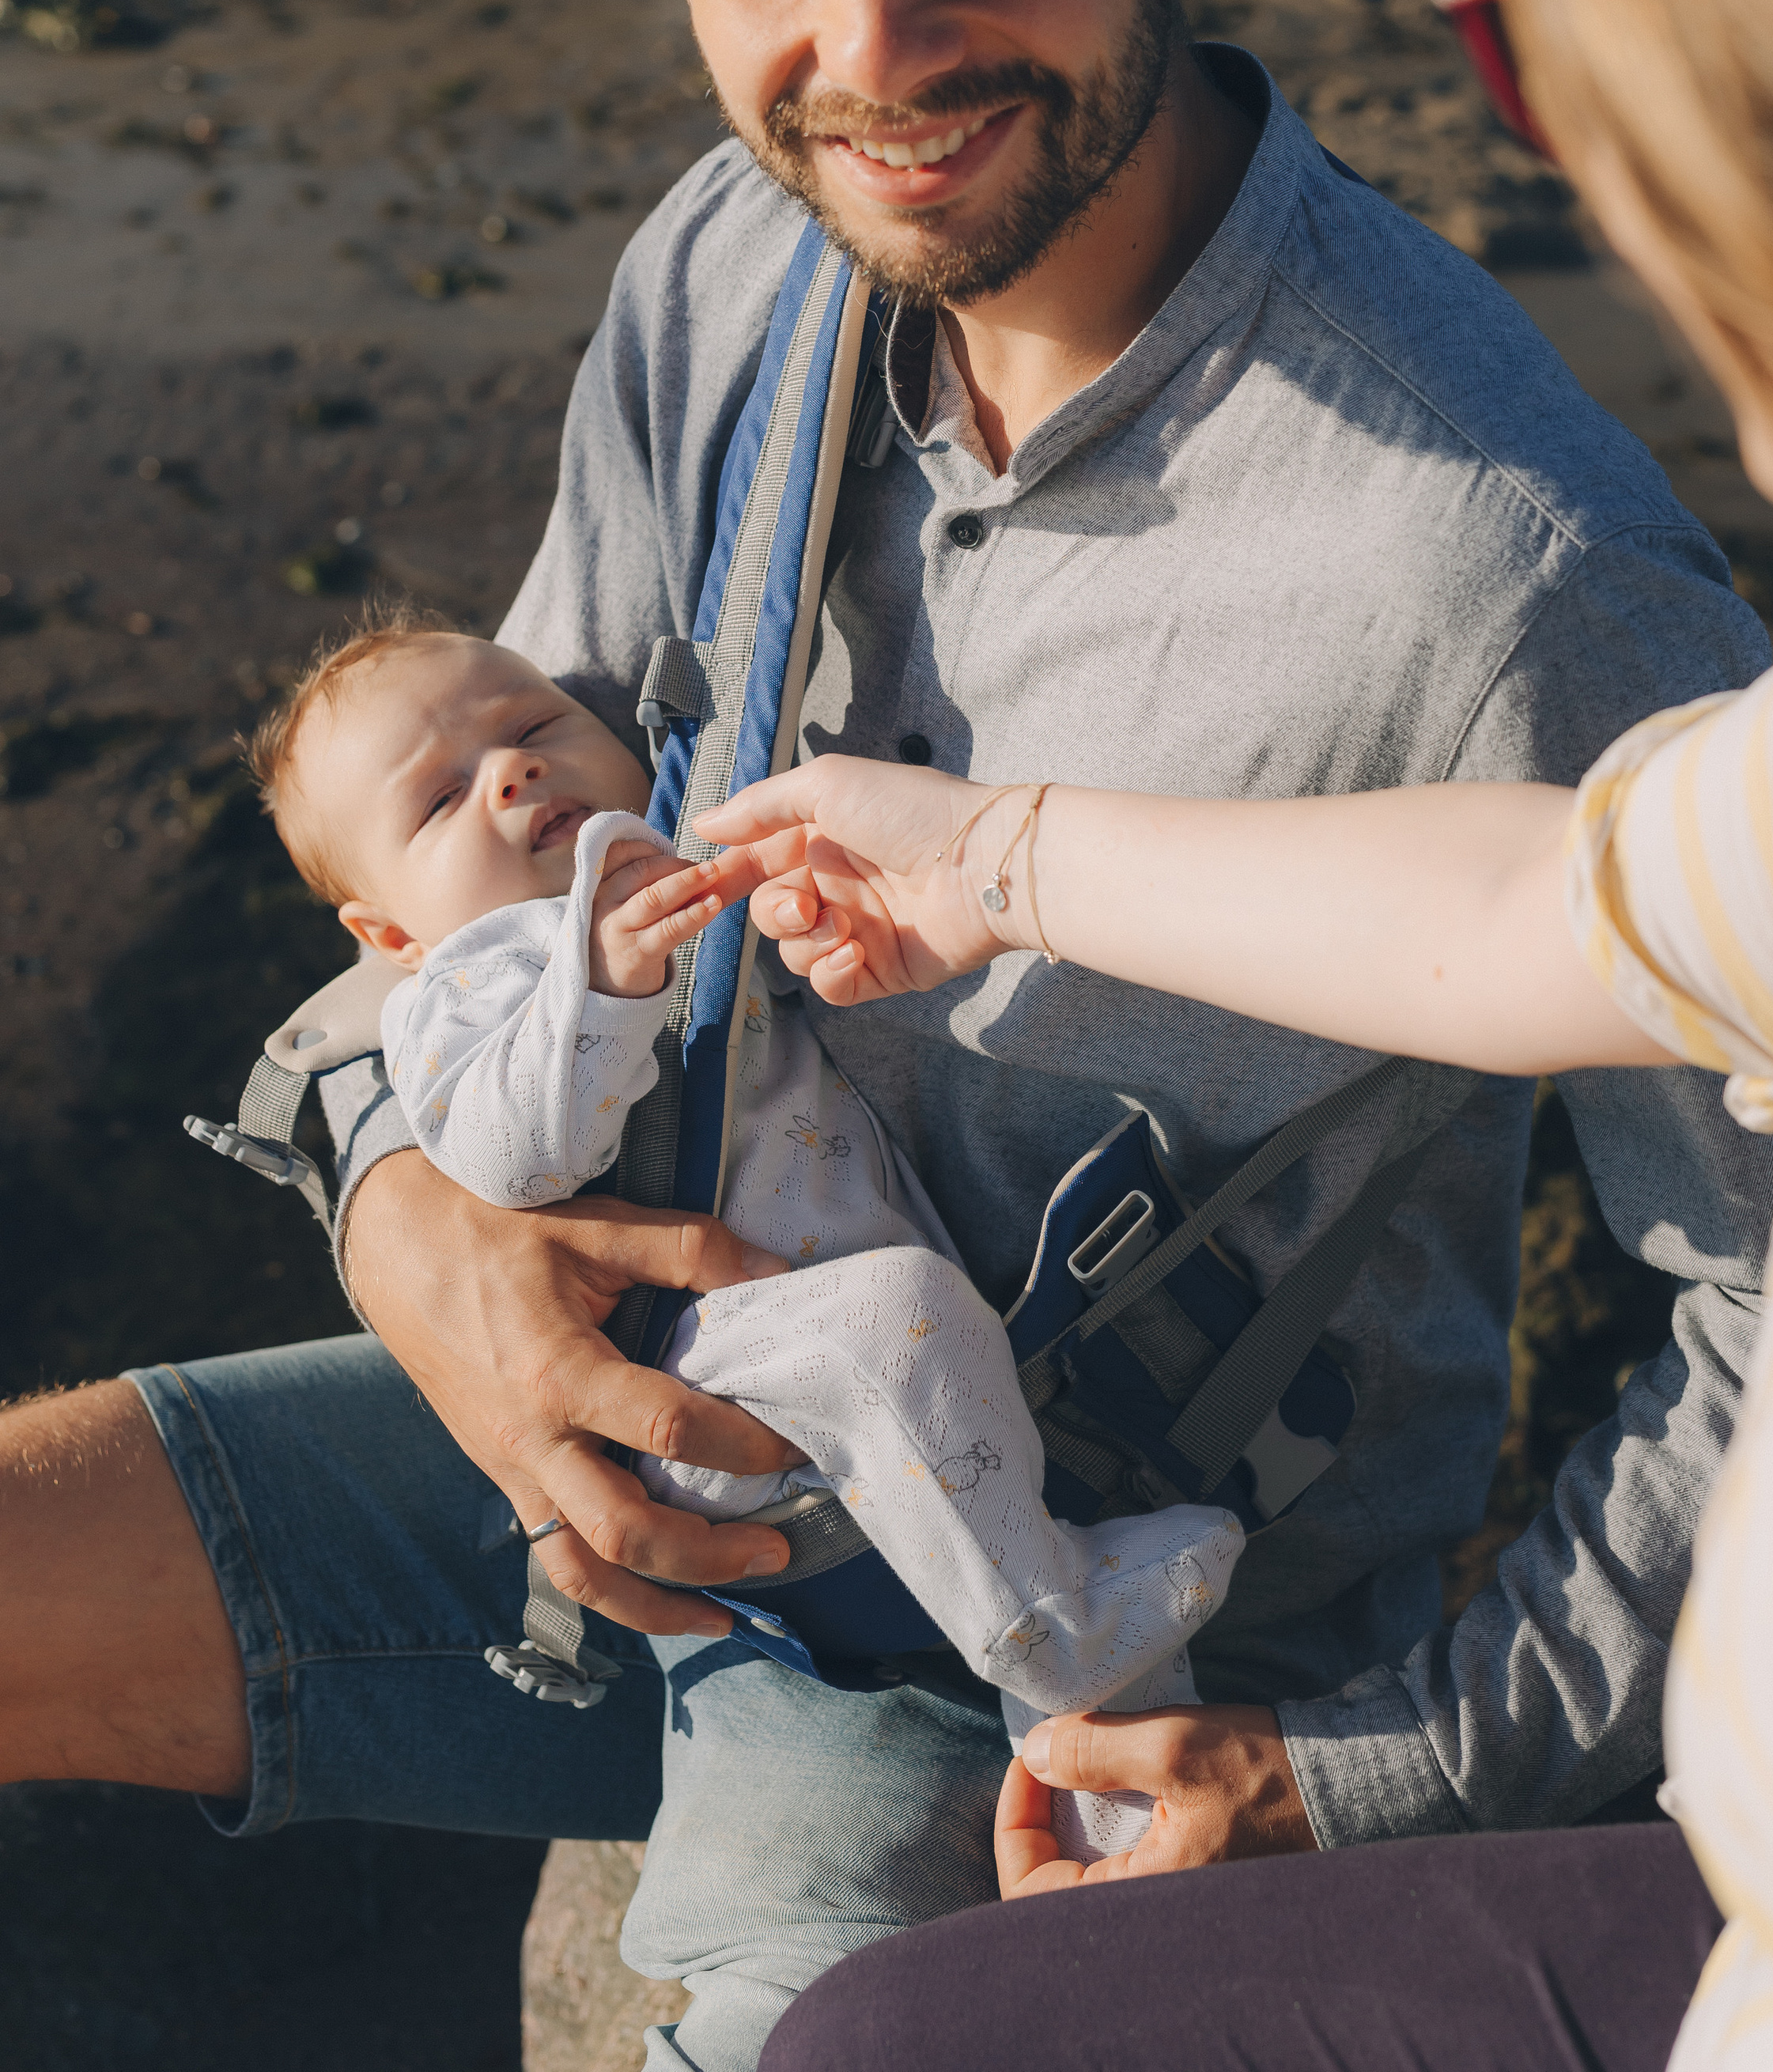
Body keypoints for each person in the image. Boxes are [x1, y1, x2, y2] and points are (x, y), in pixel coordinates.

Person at [0, 0, 1773, 2072]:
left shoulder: (1502, 558)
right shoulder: (735, 263)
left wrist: (1371, 1779)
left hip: (1090, 1661)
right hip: (655, 1457)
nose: (878, 46)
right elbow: (455, 858)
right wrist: (415, 1234)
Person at [707, 0, 1773, 2070]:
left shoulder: (1520, 549)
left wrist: (1384, 1764)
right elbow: (1572, 887)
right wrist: (996, 855)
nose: (1583, 198)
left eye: (1555, 60)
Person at [244, 607, 1241, 1854]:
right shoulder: (466, 986)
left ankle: (1110, 1777)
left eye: (536, 726)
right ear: (388, 935)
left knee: (923, 1357)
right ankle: (1056, 1632)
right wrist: (599, 988)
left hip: (837, 1343)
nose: (512, 771)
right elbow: (512, 1150)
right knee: (901, 1325)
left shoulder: (659, 871)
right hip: (705, 1385)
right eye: (441, 801)